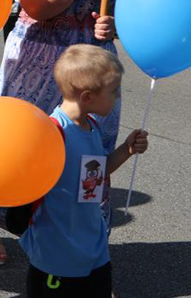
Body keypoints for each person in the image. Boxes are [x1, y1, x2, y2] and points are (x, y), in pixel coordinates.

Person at [0, 0, 126, 262]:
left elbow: (130, 9)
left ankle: (83, 230)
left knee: (90, 150)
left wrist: (114, 23)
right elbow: (36, 4)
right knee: (23, 147)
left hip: (96, 69)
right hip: (39, 65)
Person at [22, 45, 148, 297]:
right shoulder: (52, 133)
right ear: (87, 97)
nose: (118, 96)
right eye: (114, 91)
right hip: (56, 258)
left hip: (94, 252)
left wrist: (126, 149)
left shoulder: (90, 125)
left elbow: (93, 178)